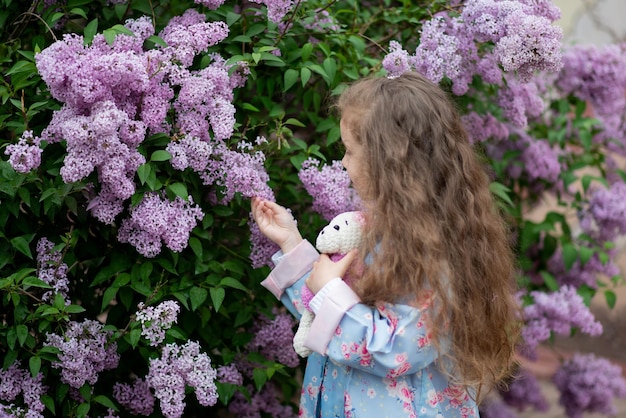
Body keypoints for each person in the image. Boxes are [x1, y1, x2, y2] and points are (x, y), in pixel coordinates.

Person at [251, 71, 521, 417]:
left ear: (389, 163)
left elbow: (396, 349)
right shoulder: (377, 230)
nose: (343, 163)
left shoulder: (433, 251)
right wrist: (291, 244)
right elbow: (327, 303)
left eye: (349, 151)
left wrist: (329, 292)